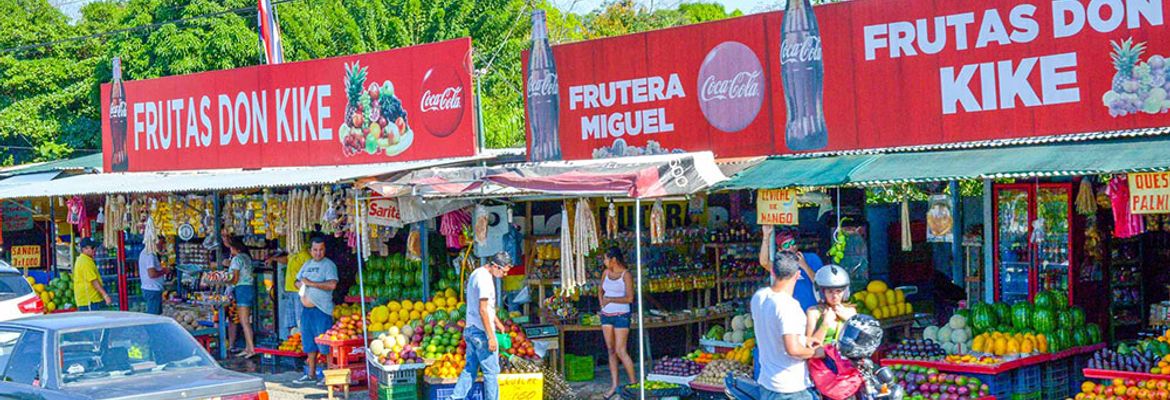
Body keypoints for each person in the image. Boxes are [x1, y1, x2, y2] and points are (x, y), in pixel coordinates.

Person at [752, 251, 823, 400]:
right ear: (797, 275)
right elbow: (793, 350)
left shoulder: (759, 297)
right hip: (790, 389)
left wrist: (805, 341)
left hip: (767, 384)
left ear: (772, 271)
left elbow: (774, 333)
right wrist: (816, 353)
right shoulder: (789, 307)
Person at [451, 252, 512, 400]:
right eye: (503, 272)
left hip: (470, 330)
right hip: (481, 333)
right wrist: (491, 337)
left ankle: (454, 398)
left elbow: (487, 308)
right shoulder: (485, 280)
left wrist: (497, 323)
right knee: (491, 373)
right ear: (496, 266)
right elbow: (483, 309)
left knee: (470, 369)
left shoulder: (477, 273)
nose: (504, 275)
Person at [293, 236, 339, 386]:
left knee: (324, 345)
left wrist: (311, 283)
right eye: (315, 250)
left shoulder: (329, 265)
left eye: (321, 250)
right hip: (307, 310)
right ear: (310, 250)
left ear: (325, 250)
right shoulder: (307, 264)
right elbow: (296, 281)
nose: (318, 253)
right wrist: (300, 284)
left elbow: (332, 285)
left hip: (322, 310)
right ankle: (310, 374)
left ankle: (327, 375)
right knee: (309, 343)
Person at [598, 247, 637, 399]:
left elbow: (630, 298)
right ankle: (614, 385)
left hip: (621, 315)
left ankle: (634, 385)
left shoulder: (626, 275)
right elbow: (600, 290)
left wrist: (611, 299)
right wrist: (602, 304)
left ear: (613, 259)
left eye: (606, 259)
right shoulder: (606, 273)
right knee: (611, 350)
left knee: (621, 350)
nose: (604, 261)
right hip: (606, 316)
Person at [759, 225, 825, 312]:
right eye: (786, 245)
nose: (791, 247)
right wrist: (766, 237)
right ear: (780, 249)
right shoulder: (782, 264)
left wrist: (805, 266)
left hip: (813, 312)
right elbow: (764, 262)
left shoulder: (812, 258)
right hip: (790, 313)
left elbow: (821, 284)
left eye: (792, 243)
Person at [806, 264, 857, 346]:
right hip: (822, 356)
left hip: (844, 357)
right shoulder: (814, 312)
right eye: (830, 292)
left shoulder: (850, 311)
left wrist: (849, 320)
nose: (835, 296)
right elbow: (809, 345)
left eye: (839, 291)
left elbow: (859, 342)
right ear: (822, 292)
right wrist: (825, 323)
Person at [269, 246, 311, 340]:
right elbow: (286, 260)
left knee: (300, 320)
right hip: (290, 290)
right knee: (290, 320)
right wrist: (273, 258)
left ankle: (302, 342)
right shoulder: (293, 253)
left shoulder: (305, 255)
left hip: (299, 292)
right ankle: (293, 341)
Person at [227, 237, 257, 358]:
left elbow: (235, 278)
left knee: (244, 321)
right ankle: (247, 347)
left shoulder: (237, 259)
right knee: (246, 320)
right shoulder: (246, 257)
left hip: (241, 289)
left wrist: (226, 283)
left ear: (235, 248)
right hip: (249, 288)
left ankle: (251, 349)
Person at [73, 238, 112, 311]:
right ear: (84, 249)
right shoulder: (85, 262)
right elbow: (94, 281)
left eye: (95, 247)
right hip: (89, 301)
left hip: (90, 300)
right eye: (92, 248)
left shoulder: (86, 259)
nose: (95, 250)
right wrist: (105, 295)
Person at [138, 237, 170, 315]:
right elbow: (152, 274)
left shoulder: (146, 252)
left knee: (156, 315)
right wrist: (164, 271)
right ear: (155, 242)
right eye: (161, 243)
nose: (162, 246)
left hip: (151, 289)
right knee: (153, 317)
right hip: (152, 289)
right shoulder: (150, 254)